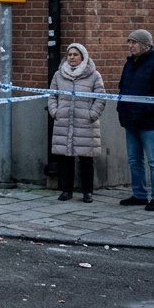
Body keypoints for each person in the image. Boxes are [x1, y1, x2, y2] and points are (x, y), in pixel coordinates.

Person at [117, 29, 154, 212]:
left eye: (134, 42)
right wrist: (122, 110)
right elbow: (122, 89)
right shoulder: (129, 64)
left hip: (150, 123)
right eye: (129, 42)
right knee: (134, 160)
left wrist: (142, 111)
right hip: (130, 121)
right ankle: (139, 194)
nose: (130, 45)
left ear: (146, 45)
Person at [47, 43, 105, 203]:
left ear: (83, 57)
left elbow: (100, 97)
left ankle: (88, 192)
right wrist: (55, 112)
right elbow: (52, 96)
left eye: (75, 54)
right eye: (69, 54)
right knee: (66, 157)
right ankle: (67, 190)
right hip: (64, 121)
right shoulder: (59, 75)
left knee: (87, 158)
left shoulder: (94, 75)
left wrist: (92, 114)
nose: (72, 57)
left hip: (86, 121)